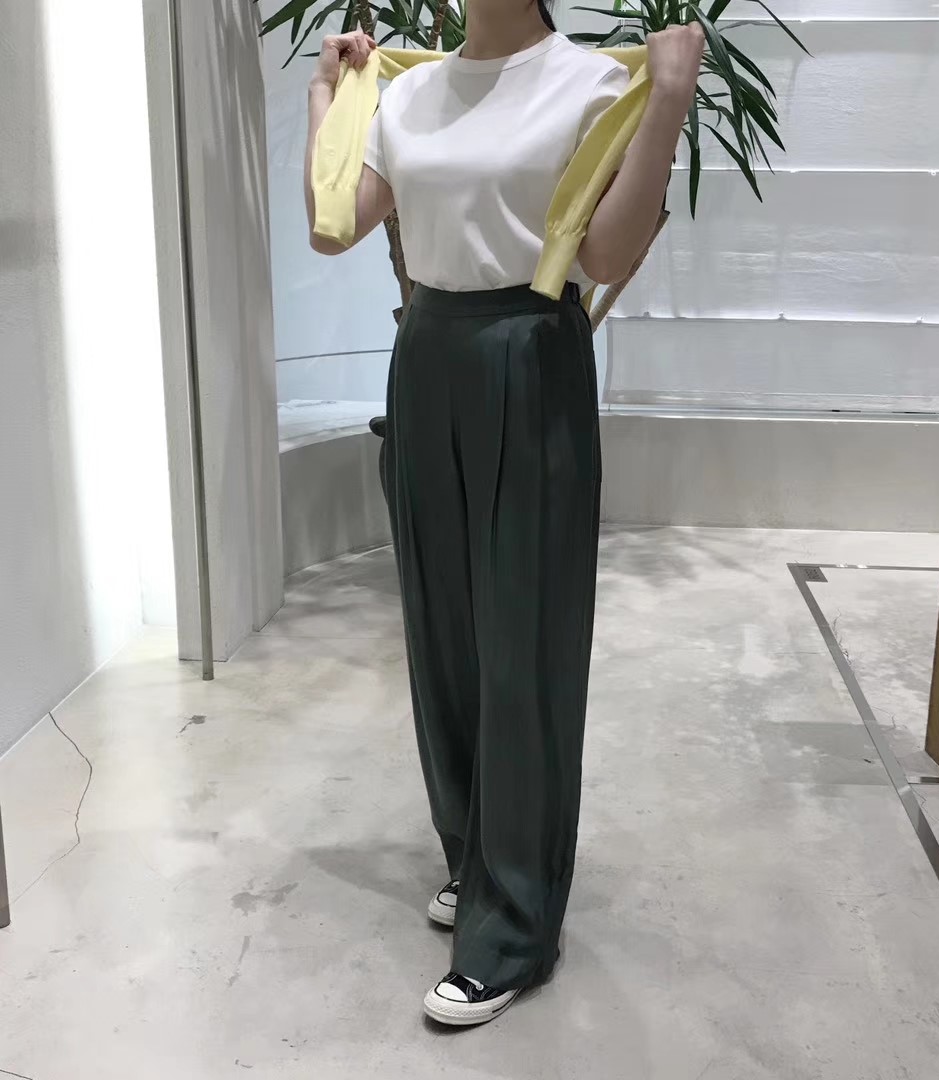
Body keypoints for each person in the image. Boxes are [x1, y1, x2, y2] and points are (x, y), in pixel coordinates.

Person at [304, 0, 702, 1026]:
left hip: (531, 350)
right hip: (426, 351)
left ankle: (516, 927)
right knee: (443, 633)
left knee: (525, 640)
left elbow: (605, 256)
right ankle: (475, 856)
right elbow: (337, 224)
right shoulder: (411, 93)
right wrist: (328, 95)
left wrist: (667, 99)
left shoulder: (591, 82)